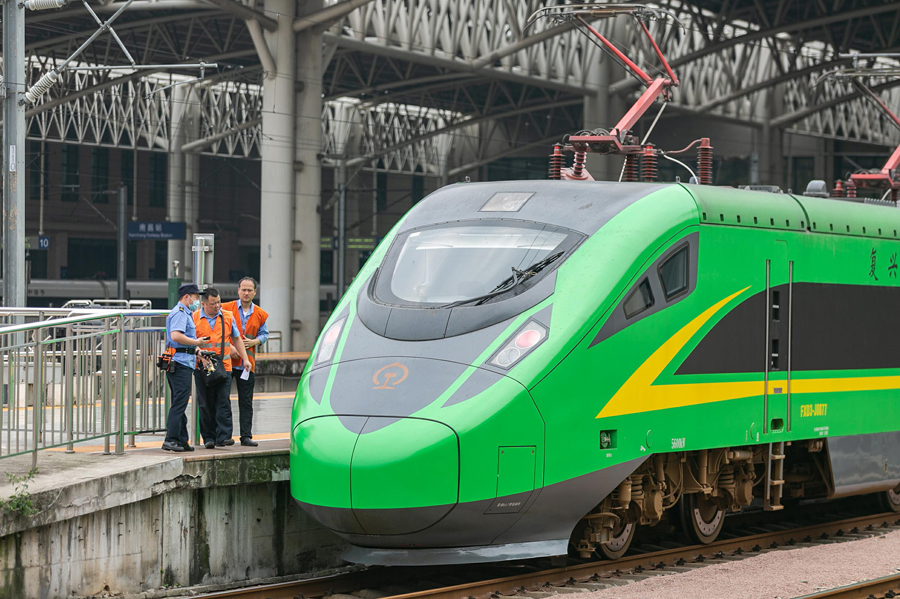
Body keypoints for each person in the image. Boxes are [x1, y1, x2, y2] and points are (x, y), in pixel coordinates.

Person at [192, 287, 251, 448]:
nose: (217, 306)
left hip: (224, 367)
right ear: (204, 304)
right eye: (213, 303)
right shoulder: (195, 318)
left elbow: (237, 339)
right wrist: (198, 354)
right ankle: (209, 438)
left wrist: (244, 358)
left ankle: (224, 436)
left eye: (218, 302)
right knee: (205, 403)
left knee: (223, 402)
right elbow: (190, 341)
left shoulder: (227, 316)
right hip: (202, 368)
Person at [223, 277, 269, 447]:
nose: (246, 293)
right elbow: (218, 331)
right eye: (243, 289)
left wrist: (255, 342)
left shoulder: (260, 314)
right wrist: (229, 346)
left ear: (255, 292)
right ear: (238, 290)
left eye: (249, 290)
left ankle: (245, 436)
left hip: (247, 365)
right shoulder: (226, 309)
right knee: (223, 400)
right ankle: (225, 435)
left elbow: (264, 334)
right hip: (227, 363)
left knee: (246, 401)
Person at [162, 284, 208, 452]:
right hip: (180, 364)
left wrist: (197, 350)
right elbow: (176, 336)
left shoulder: (185, 313)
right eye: (196, 297)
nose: (197, 300)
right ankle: (171, 439)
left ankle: (181, 440)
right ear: (186, 297)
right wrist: (196, 342)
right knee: (179, 403)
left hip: (182, 361)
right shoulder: (180, 313)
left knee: (179, 402)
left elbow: (183, 340)